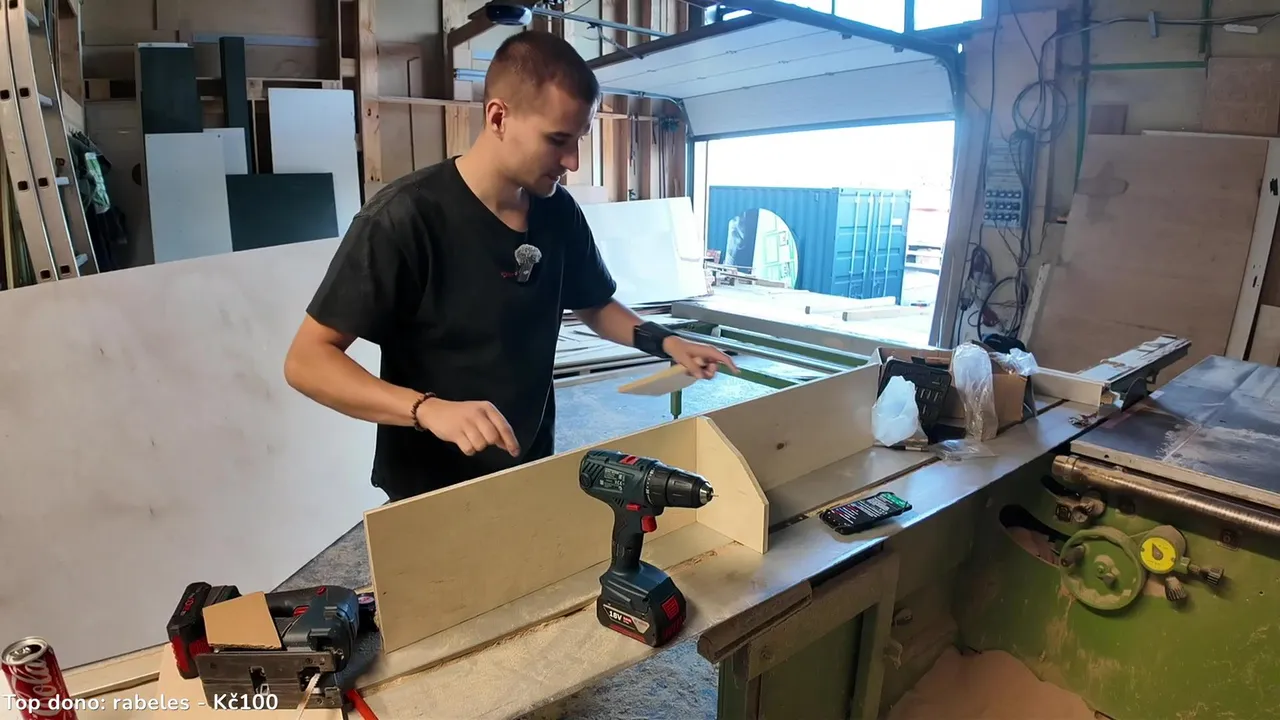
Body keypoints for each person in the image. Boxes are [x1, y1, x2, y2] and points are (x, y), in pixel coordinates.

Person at [283, 30, 738, 503]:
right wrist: (427, 409)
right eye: (557, 140)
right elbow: (307, 362)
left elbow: (594, 304)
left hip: (528, 463)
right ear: (498, 117)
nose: (572, 161)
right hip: (429, 486)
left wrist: (666, 342)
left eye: (579, 140)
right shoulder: (404, 218)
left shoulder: (557, 212)